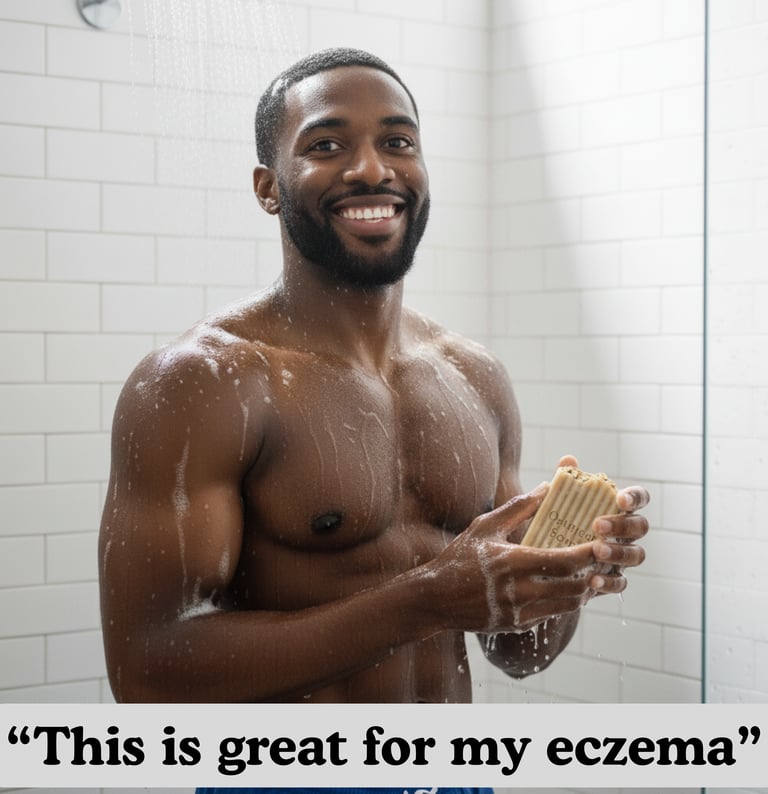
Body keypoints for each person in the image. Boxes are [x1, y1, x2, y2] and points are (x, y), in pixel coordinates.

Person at [99, 48, 649, 711]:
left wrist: (566, 573)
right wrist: (424, 600)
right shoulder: (206, 383)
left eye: (397, 142)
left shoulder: (475, 378)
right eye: (327, 145)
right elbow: (147, 674)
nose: (371, 168)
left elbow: (519, 653)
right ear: (268, 187)